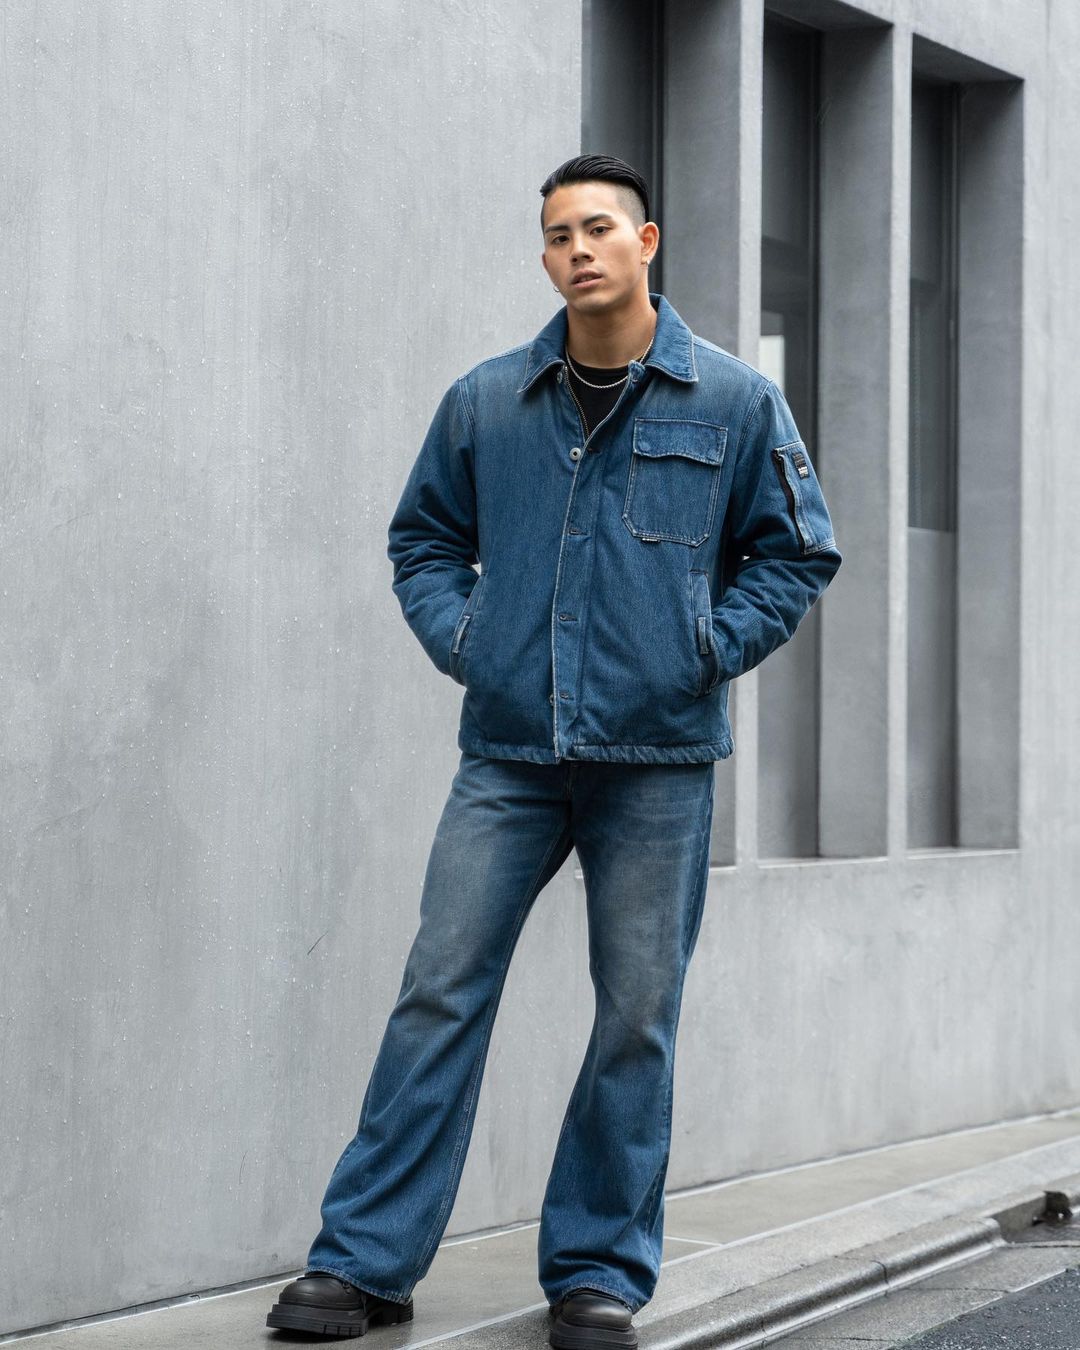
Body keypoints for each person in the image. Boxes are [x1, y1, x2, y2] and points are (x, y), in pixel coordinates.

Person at [267, 153, 841, 1349]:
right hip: (510, 754)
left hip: (658, 762)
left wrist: (706, 647)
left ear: (647, 243)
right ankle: (362, 1262)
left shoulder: (735, 403)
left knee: (636, 1017)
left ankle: (596, 1273)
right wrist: (470, 642)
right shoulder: (488, 402)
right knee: (439, 993)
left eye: (598, 229)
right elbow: (423, 541)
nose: (577, 249)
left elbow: (797, 551)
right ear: (545, 258)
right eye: (557, 235)